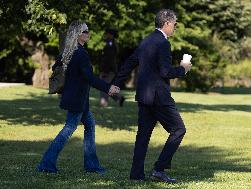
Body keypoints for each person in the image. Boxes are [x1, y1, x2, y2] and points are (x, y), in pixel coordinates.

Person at [111, 9, 192, 183]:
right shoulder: (163, 43)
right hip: (159, 97)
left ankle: (136, 174)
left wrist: (116, 83)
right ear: (167, 23)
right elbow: (165, 72)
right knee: (179, 129)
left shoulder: (146, 41)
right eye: (175, 24)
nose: (175, 27)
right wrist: (183, 69)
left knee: (143, 135)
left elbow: (129, 63)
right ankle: (159, 169)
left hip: (144, 96)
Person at [37, 20, 120, 174]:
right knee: (68, 129)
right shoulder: (81, 54)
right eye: (85, 31)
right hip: (77, 100)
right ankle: (46, 164)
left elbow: (56, 68)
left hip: (76, 98)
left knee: (89, 125)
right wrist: (108, 88)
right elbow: (89, 77)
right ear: (77, 34)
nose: (88, 34)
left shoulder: (68, 52)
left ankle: (91, 165)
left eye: (88, 31)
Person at [99, 29, 125, 107]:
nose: (105, 35)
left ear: (111, 35)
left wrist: (105, 71)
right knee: (108, 87)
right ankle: (119, 98)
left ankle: (103, 103)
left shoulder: (111, 45)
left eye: (107, 34)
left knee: (103, 86)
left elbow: (109, 59)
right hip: (110, 70)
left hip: (109, 70)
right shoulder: (110, 44)